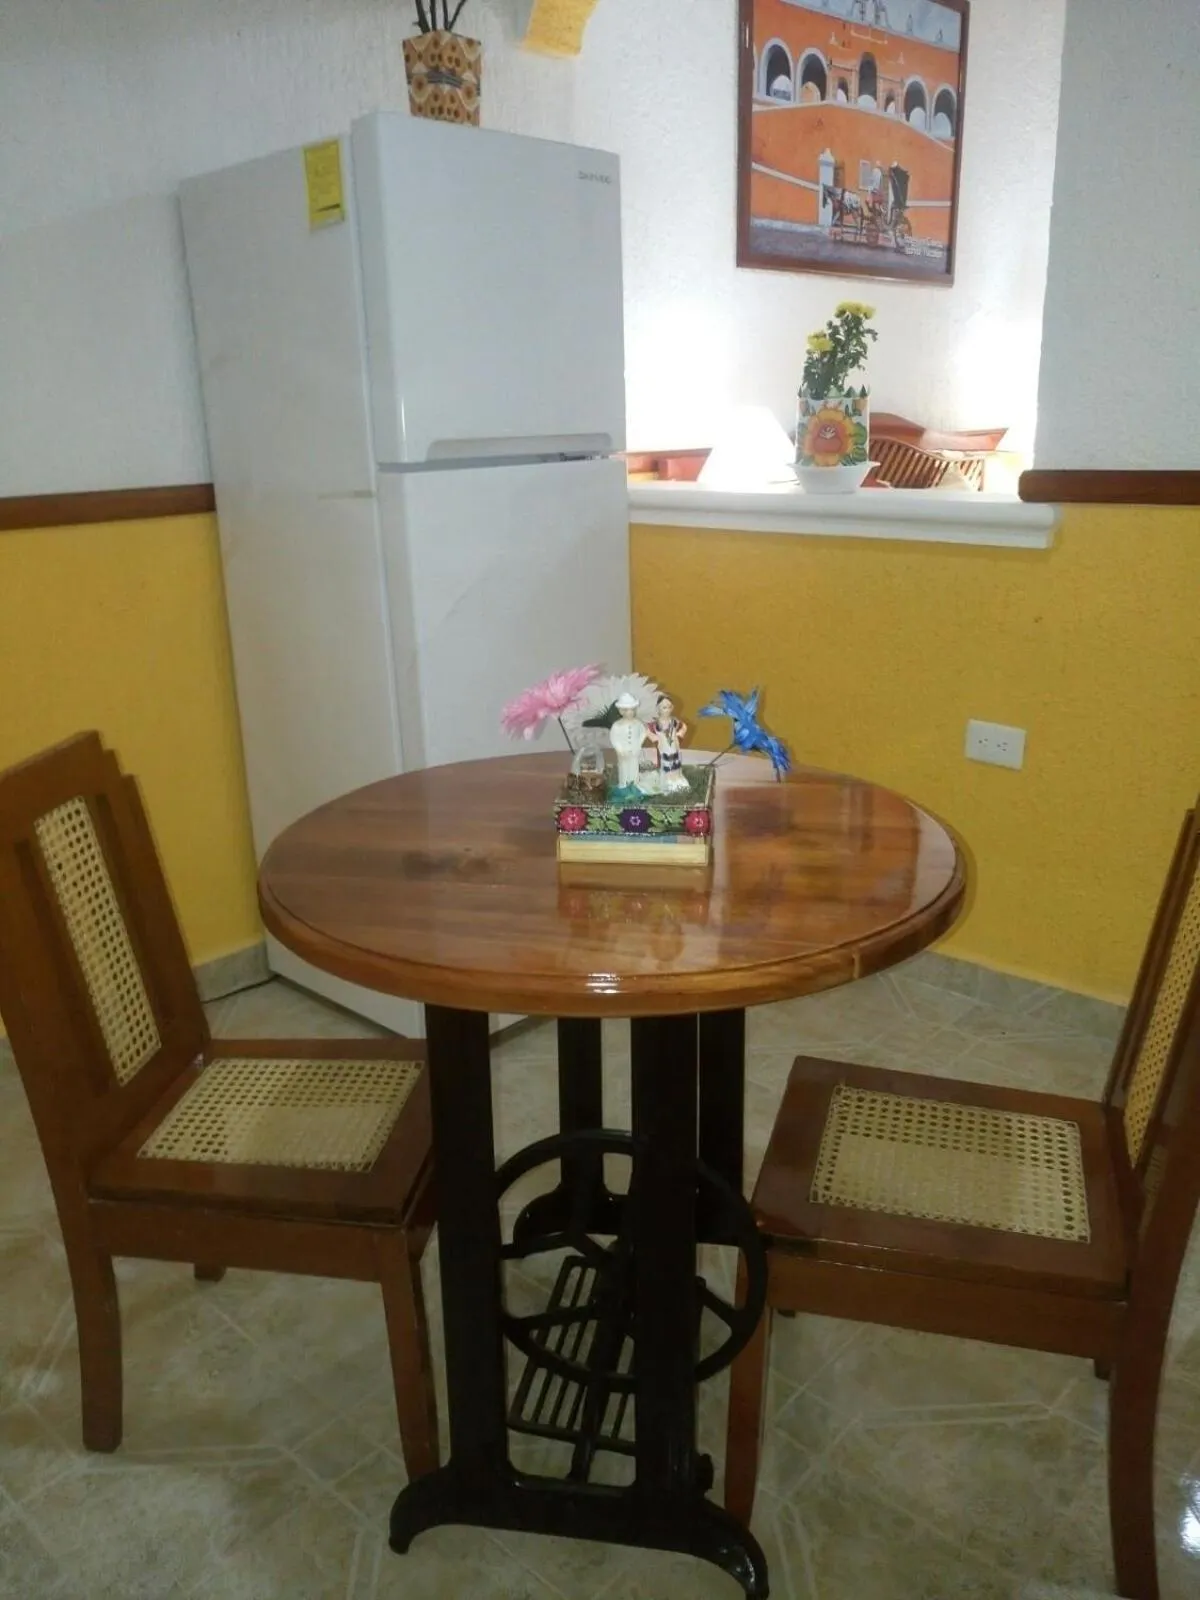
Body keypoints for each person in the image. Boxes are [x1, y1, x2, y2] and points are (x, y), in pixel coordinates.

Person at [647, 694, 689, 794]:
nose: (667, 710)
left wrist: (679, 734)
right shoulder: (656, 724)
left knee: (674, 763)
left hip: (673, 746)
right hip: (663, 747)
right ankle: (666, 781)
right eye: (664, 707)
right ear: (658, 709)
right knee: (664, 763)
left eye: (669, 707)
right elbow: (647, 731)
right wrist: (654, 738)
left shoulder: (674, 722)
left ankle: (676, 779)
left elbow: (684, 726)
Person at [609, 693, 648, 793]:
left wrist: (639, 743)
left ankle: (634, 784)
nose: (630, 712)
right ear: (621, 711)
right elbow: (614, 738)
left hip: (634, 750)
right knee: (623, 767)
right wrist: (619, 749)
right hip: (623, 752)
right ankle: (623, 784)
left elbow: (644, 733)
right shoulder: (617, 725)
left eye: (632, 709)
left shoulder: (638, 723)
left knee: (634, 767)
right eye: (626, 710)